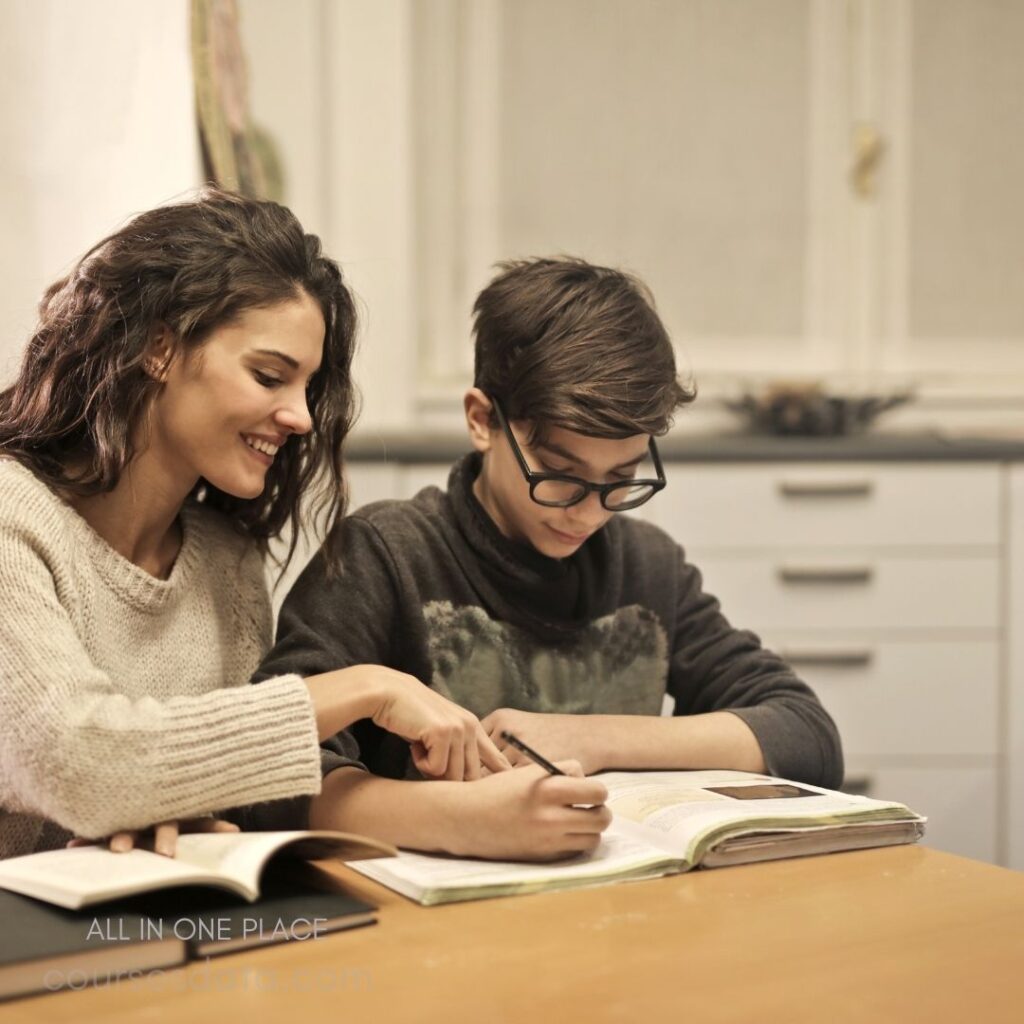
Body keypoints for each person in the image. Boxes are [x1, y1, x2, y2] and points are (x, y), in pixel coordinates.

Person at [257, 257, 844, 858]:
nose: (588, 514)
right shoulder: (385, 557)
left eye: (621, 478)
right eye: (560, 477)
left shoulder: (648, 566)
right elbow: (264, 776)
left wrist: (592, 739)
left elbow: (805, 734)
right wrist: (459, 818)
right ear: (482, 420)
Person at [0, 188, 522, 862]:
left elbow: (220, 792)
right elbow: (78, 764)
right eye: (269, 375)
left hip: (151, 936)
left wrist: (167, 811)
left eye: (307, 388)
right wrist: (371, 686)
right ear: (159, 346)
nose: (301, 417)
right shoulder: (12, 515)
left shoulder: (227, 562)